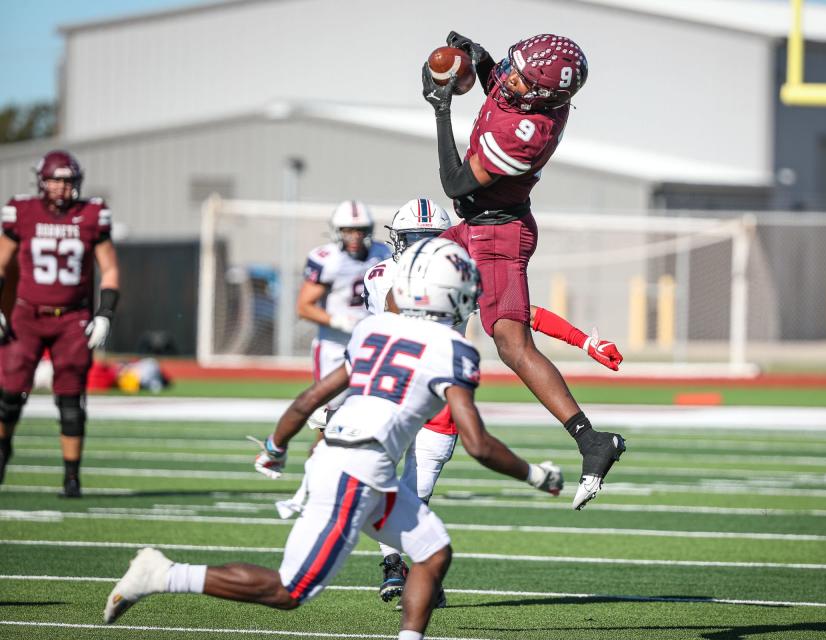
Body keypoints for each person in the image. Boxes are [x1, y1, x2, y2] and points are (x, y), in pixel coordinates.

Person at [104, 238, 563, 640]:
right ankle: (163, 574)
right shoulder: (453, 349)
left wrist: (275, 446)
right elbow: (478, 443)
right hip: (355, 471)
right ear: (452, 293)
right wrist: (535, 475)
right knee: (290, 590)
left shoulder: (374, 329)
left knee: (432, 550)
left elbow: (312, 397)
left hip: (357, 460)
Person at [362, 197, 623, 604]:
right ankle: (397, 564)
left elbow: (520, 313)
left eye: (429, 241)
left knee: (415, 489)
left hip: (425, 385)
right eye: (415, 242)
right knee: (381, 477)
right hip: (411, 383)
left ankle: (399, 565)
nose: (421, 251)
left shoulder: (434, 272)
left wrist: (583, 339)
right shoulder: (397, 275)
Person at [421, 32, 625, 509]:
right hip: (477, 226)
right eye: (513, 66)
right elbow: (501, 77)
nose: (507, 78)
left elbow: (455, 179)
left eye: (520, 76)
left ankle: (591, 440)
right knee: (405, 274)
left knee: (511, 343)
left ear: (543, 95)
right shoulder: (530, 90)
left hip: (497, 235)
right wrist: (477, 55)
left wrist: (440, 108)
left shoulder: (528, 133)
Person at [0, 150, 119, 497]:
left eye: (67, 181)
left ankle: (71, 478)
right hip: (27, 314)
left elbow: (109, 268)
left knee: (71, 400)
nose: (62, 188)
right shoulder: (22, 212)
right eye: (55, 180)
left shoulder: (91, 214)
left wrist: (105, 313)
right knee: (8, 396)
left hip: (72, 317)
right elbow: (1, 262)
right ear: (42, 181)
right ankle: (3, 450)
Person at [296, 200, 391, 430]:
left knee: (372, 411)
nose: (355, 236)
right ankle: (321, 463)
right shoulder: (327, 259)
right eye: (348, 230)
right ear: (337, 231)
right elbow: (304, 306)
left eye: (360, 230)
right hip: (334, 347)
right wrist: (337, 320)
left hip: (371, 345)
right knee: (327, 421)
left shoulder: (382, 253)